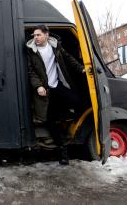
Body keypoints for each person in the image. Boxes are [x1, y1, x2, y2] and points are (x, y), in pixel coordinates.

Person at [26, 25, 85, 165]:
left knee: (77, 101)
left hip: (57, 85)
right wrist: (38, 86)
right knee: (50, 121)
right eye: (34, 35)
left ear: (46, 35)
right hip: (45, 91)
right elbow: (31, 72)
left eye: (38, 35)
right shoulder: (31, 51)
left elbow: (68, 58)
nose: (35, 38)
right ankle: (62, 150)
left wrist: (82, 69)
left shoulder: (55, 46)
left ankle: (65, 120)